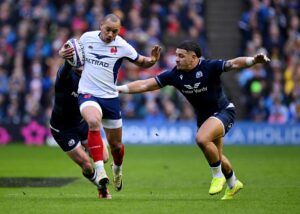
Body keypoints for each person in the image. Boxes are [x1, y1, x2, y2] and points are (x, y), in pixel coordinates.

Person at [117, 40, 270, 200]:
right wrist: (119, 89)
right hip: (204, 119)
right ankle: (233, 183)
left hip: (223, 111)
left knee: (201, 139)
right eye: (176, 55)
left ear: (193, 57)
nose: (176, 59)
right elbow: (145, 85)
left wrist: (253, 60)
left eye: (181, 56)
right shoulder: (174, 75)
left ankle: (217, 177)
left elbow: (234, 64)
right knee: (217, 155)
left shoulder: (209, 67)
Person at [59, 13, 161, 195]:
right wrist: (62, 54)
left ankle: (117, 169)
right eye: (108, 30)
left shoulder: (121, 45)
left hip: (110, 97)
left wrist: (152, 60)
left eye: (115, 31)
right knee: (92, 121)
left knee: (116, 146)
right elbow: (71, 53)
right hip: (88, 93)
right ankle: (100, 171)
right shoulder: (86, 38)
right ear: (101, 26)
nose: (111, 35)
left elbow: (142, 61)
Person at [50, 44, 110, 199]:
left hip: (82, 123)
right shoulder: (66, 77)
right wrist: (66, 60)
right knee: (87, 165)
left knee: (104, 157)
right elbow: (63, 71)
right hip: (62, 129)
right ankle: (101, 187)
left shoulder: (91, 78)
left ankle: (85, 151)